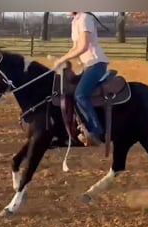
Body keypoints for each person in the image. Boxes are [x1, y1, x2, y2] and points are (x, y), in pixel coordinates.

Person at [54, 12, 110, 146]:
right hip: (87, 65)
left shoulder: (85, 18)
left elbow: (84, 46)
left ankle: (96, 132)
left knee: (80, 94)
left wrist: (63, 59)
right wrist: (63, 59)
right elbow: (75, 47)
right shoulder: (76, 20)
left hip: (96, 64)